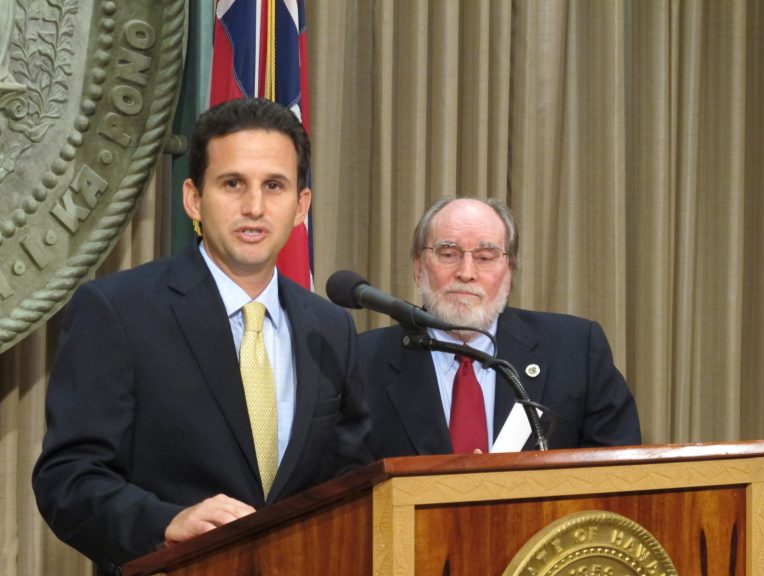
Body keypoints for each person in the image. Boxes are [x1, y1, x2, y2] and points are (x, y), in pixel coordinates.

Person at [32, 98, 371, 574]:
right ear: (194, 198)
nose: (254, 207)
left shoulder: (330, 326)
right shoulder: (119, 310)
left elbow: (349, 479)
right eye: (233, 184)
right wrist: (166, 522)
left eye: (274, 186)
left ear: (301, 206)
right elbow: (67, 479)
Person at [359, 196, 640, 459]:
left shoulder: (576, 350)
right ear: (419, 267)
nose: (466, 273)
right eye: (448, 253)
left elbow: (618, 473)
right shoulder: (362, 361)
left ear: (509, 273)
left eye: (485, 257)